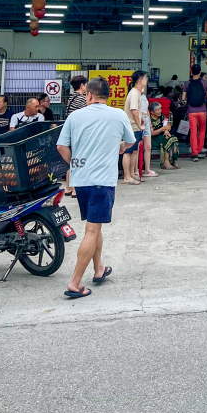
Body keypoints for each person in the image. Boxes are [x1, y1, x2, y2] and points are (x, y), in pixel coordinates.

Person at [57, 76, 135, 299]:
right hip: (103, 182)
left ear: (88, 95)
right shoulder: (118, 115)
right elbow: (130, 141)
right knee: (92, 230)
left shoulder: (75, 116)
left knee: (94, 226)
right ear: (107, 96)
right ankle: (75, 282)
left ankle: (99, 268)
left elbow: (61, 146)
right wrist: (120, 147)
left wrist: (75, 163)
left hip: (81, 182)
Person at [122, 70, 147, 185]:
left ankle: (132, 174)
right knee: (128, 151)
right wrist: (139, 125)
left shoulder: (137, 93)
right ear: (140, 81)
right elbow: (134, 111)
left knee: (134, 151)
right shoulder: (134, 93)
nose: (147, 80)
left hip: (135, 127)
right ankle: (127, 176)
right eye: (146, 78)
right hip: (131, 127)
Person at [182, 65, 207, 161]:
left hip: (191, 111)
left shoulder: (187, 83)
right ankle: (199, 149)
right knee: (202, 130)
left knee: (193, 131)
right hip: (202, 110)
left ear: (191, 71)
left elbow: (183, 98)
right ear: (200, 72)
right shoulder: (204, 83)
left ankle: (195, 154)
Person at [150, 101, 179, 169]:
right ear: (152, 112)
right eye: (157, 110)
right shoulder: (150, 119)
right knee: (168, 140)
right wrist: (163, 128)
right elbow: (152, 133)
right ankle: (166, 162)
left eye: (160, 109)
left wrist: (166, 131)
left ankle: (174, 161)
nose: (160, 111)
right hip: (154, 138)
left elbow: (168, 125)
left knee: (174, 139)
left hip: (162, 135)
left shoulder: (161, 116)